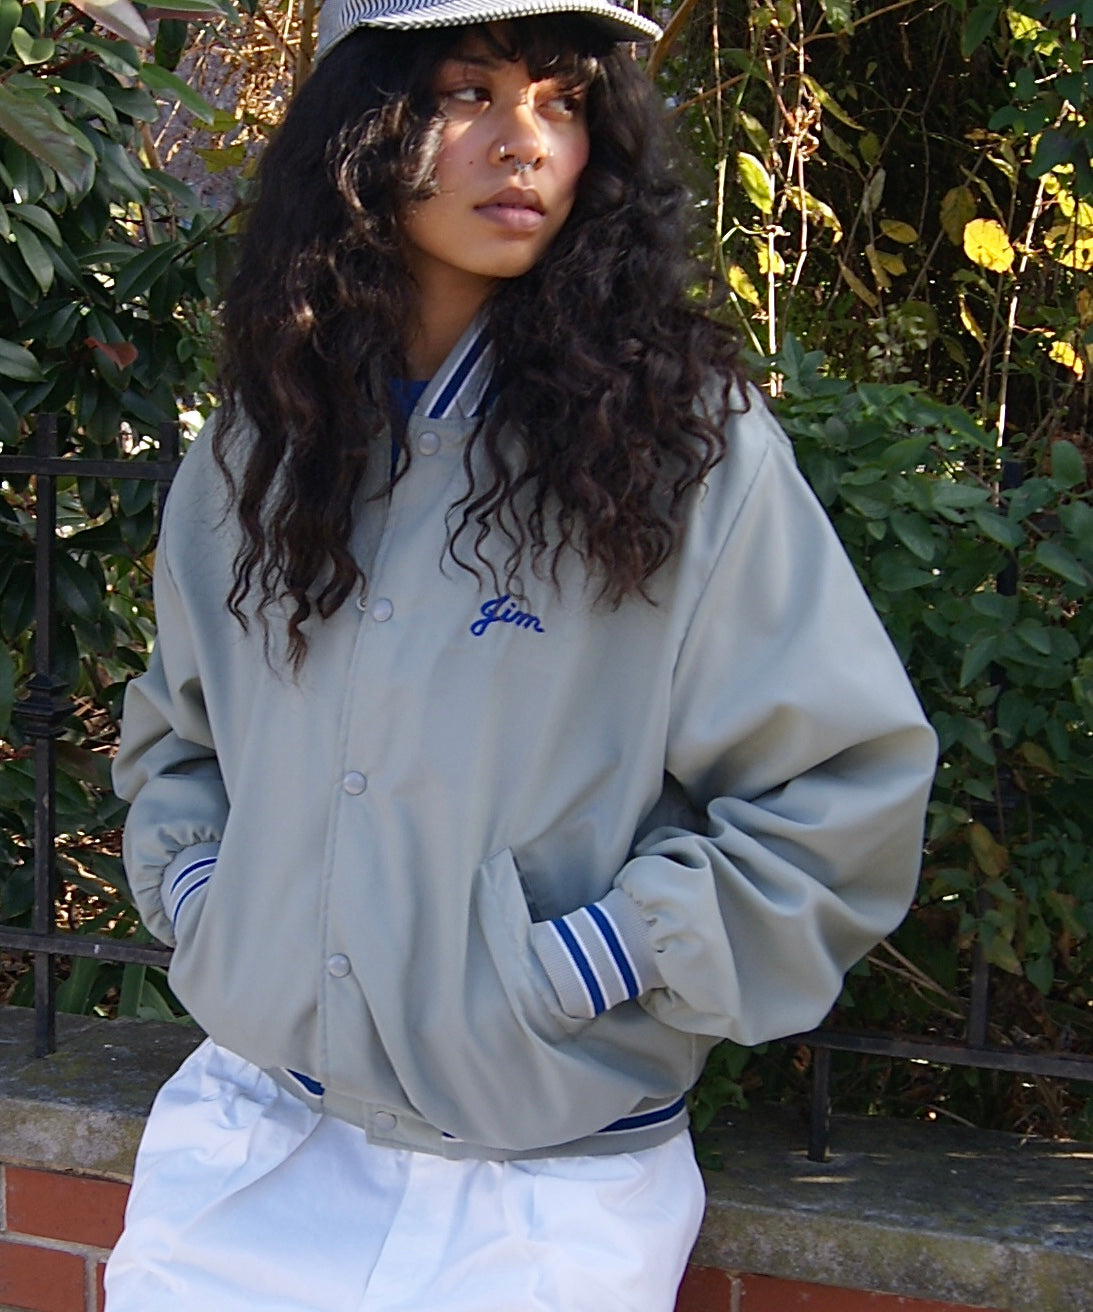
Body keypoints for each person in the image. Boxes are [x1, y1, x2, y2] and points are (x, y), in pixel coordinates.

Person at [104, 1, 938, 1308]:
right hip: (256, 1137)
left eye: (559, 100)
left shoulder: (680, 449)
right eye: (465, 94)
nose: (524, 142)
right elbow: (177, 740)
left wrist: (588, 963)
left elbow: (841, 790)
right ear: (358, 126)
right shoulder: (258, 449)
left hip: (539, 1190)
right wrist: (219, 906)